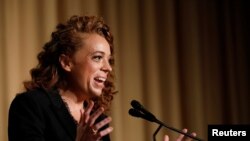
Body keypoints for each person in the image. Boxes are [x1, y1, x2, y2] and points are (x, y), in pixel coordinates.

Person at [8, 15, 196, 141]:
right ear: (66, 62)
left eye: (109, 60)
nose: (107, 68)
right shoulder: (31, 106)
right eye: (97, 58)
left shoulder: (98, 121)